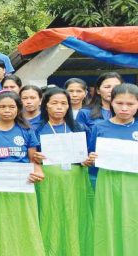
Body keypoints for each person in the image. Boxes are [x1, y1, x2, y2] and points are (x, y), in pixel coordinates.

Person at [0, 91, 45, 255]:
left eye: (11, 106)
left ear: (18, 108)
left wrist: (39, 172)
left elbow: (33, 160)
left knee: (24, 225)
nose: (7, 110)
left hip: (22, 188)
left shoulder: (27, 131)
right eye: (2, 106)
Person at [31, 88, 93, 256]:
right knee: (50, 217)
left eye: (64, 103)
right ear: (46, 105)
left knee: (74, 215)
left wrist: (87, 160)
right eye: (54, 103)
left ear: (68, 107)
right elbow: (29, 157)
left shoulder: (79, 127)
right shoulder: (36, 128)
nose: (59, 107)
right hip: (48, 183)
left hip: (75, 181)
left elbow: (87, 155)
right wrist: (35, 157)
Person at [88, 83, 138, 255]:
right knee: (108, 219)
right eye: (119, 103)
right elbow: (90, 158)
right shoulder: (99, 127)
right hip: (107, 181)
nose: (124, 108)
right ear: (111, 103)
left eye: (130, 104)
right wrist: (90, 159)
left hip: (134, 183)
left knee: (133, 221)